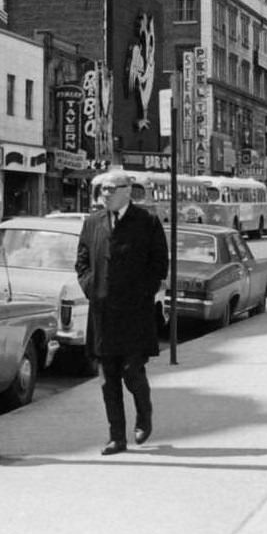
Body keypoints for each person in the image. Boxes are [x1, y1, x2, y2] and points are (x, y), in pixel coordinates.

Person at [75, 171, 168, 456]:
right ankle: (117, 437)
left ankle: (144, 413)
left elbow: (159, 264)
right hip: (102, 313)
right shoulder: (93, 222)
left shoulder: (147, 222)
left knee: (132, 372)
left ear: (128, 190)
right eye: (101, 189)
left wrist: (144, 292)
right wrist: (91, 286)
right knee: (107, 378)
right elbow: (81, 261)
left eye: (111, 189)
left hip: (134, 313)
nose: (105, 194)